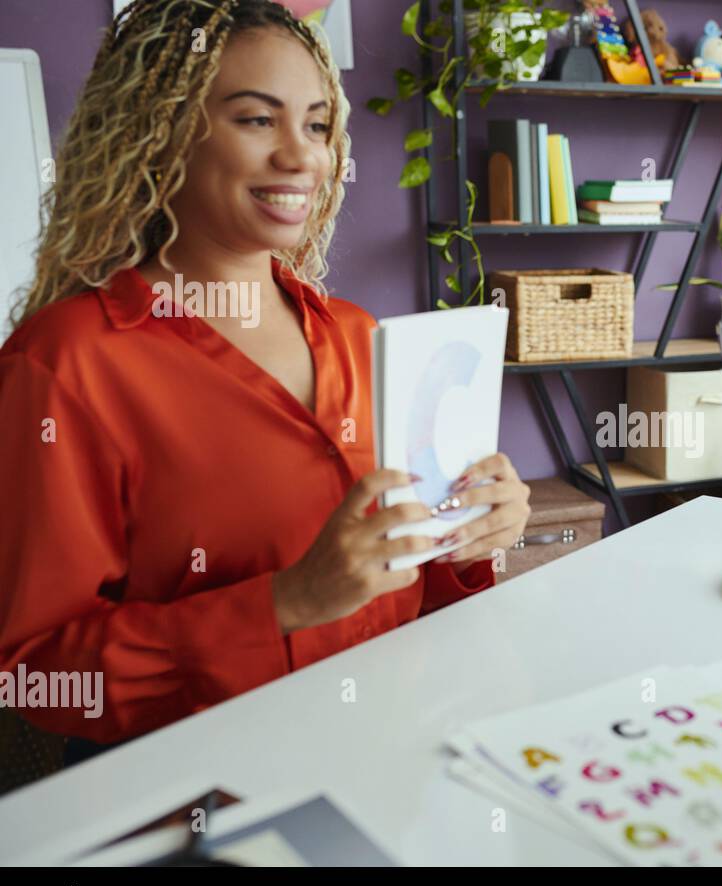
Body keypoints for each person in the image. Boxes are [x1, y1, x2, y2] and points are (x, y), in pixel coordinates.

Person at [0, 0, 530, 760]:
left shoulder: (358, 335)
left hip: (397, 755)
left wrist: (470, 541)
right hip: (207, 801)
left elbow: (408, 585)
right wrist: (283, 604)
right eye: (256, 120)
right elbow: (33, 672)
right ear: (161, 132)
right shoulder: (63, 364)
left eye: (317, 125)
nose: (303, 156)